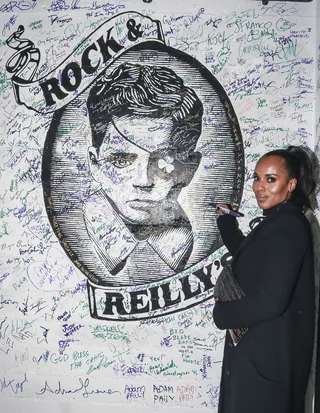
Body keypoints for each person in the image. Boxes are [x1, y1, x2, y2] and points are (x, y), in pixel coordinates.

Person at [213, 145, 316, 413]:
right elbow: (253, 260)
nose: (260, 187)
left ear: (291, 184)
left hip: (268, 363)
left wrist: (222, 315)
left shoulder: (287, 226)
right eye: (257, 178)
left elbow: (270, 301)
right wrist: (225, 223)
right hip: (264, 357)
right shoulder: (279, 222)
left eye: (271, 179)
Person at [84, 62, 203, 284]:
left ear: (190, 169)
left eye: (164, 162)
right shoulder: (81, 238)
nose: (143, 181)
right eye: (121, 160)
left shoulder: (184, 242)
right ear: (95, 164)